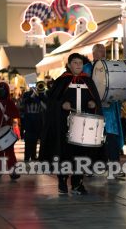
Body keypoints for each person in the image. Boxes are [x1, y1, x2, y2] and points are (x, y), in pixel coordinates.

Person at [39, 53, 103, 195]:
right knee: (65, 153)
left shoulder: (88, 81)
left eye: (80, 63)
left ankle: (77, 183)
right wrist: (62, 104)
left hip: (84, 127)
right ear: (69, 65)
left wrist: (93, 104)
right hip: (65, 125)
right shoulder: (62, 81)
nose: (78, 65)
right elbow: (51, 102)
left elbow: (96, 102)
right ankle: (62, 180)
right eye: (75, 62)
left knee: (82, 154)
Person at [85, 44, 125, 178]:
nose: (103, 53)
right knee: (92, 140)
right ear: (93, 54)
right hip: (94, 111)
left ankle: (114, 168)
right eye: (100, 51)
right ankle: (89, 167)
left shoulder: (111, 67)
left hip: (110, 112)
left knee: (112, 140)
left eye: (104, 51)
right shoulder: (87, 68)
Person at [20, 81, 46, 162]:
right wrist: (33, 95)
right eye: (32, 85)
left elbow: (45, 107)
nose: (33, 87)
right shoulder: (26, 94)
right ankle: (27, 157)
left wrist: (39, 97)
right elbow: (24, 103)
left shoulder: (41, 94)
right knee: (28, 140)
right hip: (28, 120)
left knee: (35, 139)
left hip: (37, 120)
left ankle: (34, 156)